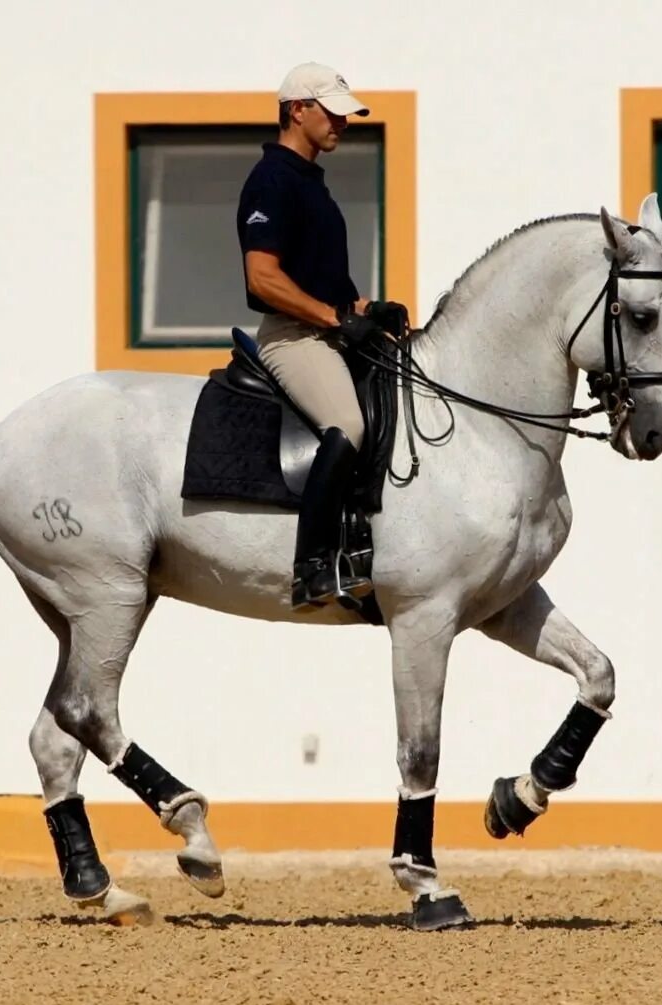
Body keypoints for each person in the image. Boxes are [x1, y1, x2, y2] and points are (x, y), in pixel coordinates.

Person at [235, 61, 411, 610]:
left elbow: (326, 285)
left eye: (346, 113)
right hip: (292, 338)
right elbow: (262, 277)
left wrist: (369, 310)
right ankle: (312, 566)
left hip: (327, 330)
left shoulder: (312, 184)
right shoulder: (272, 180)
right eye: (332, 111)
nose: (344, 122)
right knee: (350, 423)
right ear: (297, 110)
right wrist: (337, 320)